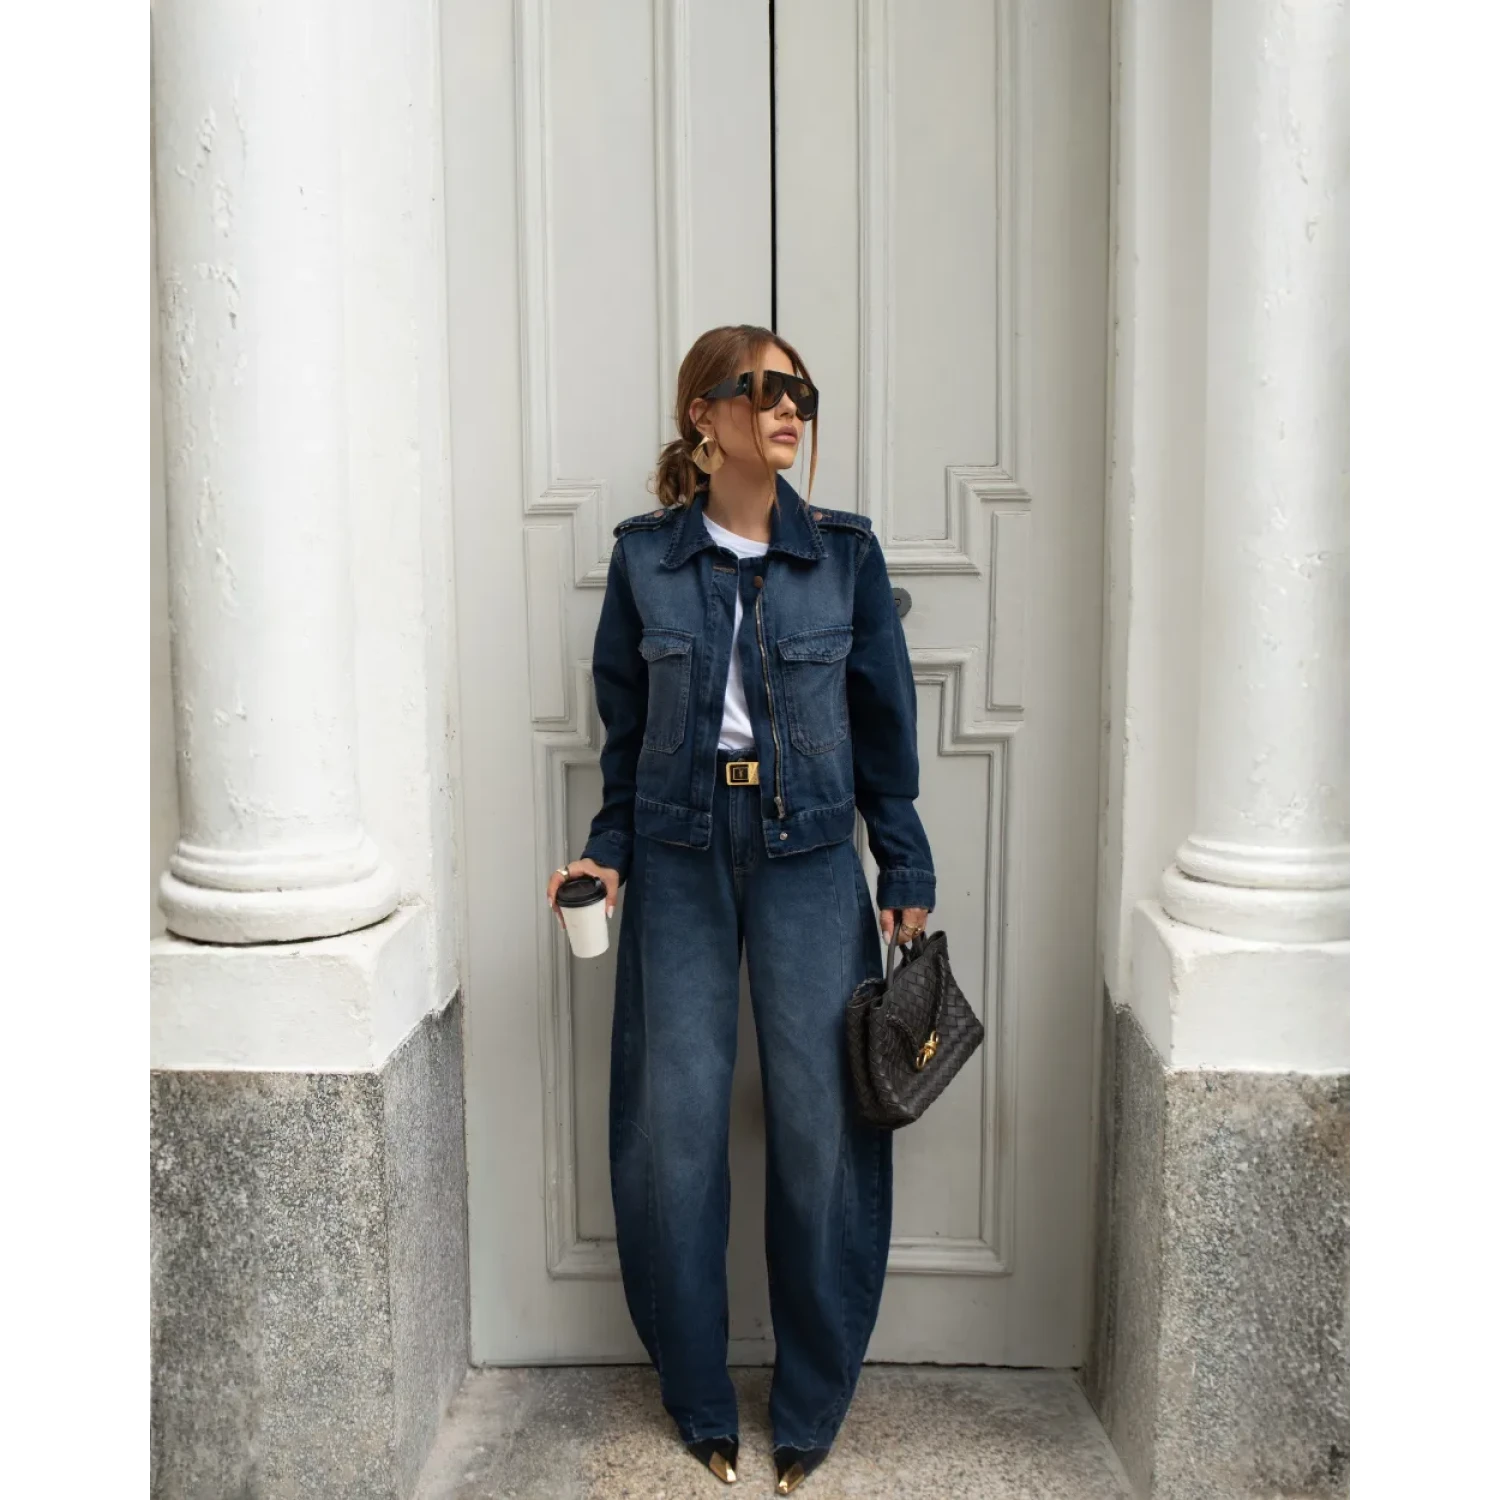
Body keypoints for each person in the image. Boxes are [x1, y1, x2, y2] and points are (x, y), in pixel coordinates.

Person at [546, 324, 936, 1493]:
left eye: (799, 390)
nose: (787, 408)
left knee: (822, 1131)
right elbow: (625, 738)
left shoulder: (845, 559)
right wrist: (605, 855)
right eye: (761, 389)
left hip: (810, 853)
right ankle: (701, 1400)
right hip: (676, 855)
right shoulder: (646, 561)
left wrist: (904, 875)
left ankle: (810, 1405)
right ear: (703, 415)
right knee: (673, 1130)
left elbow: (885, 740)